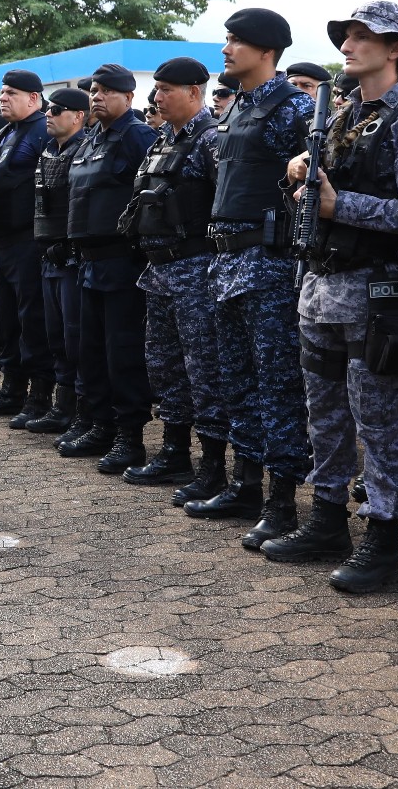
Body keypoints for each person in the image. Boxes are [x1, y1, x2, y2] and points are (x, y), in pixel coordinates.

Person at [262, 2, 398, 595]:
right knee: (326, 414)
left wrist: (342, 206)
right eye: (347, 35)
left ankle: (383, 539)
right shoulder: (341, 116)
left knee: (381, 419)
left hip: (374, 288)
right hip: (321, 283)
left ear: (396, 50)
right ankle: (328, 520)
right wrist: (301, 176)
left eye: (365, 37)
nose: (349, 45)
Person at [184, 8, 313, 549]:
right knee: (237, 381)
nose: (226, 50)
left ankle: (283, 503)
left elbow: (310, 179)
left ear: (266, 51)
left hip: (269, 263)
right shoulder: (242, 107)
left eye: (235, 41)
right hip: (228, 260)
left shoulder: (295, 108)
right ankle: (246, 485)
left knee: (276, 386)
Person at [119, 56, 229, 498]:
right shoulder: (163, 139)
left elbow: (227, 206)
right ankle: (175, 451)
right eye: (157, 88)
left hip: (196, 270)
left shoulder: (211, 139)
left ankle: (214, 465)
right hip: (160, 270)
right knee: (165, 369)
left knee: (203, 371)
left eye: (166, 89)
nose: (157, 97)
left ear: (195, 92)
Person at [59, 63, 157, 471]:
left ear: (129, 97)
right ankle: (100, 424)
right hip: (89, 263)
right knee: (91, 350)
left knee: (123, 354)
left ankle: (130, 437)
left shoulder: (138, 136)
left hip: (122, 262)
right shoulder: (90, 138)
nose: (96, 96)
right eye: (94, 90)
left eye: (106, 91)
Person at [0, 70, 54, 428]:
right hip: (0, 242)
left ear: (34, 98)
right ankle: (11, 389)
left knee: (30, 320)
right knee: (5, 318)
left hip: (28, 241)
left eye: (12, 93)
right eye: (2, 92)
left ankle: (39, 397)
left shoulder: (42, 131)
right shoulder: (6, 132)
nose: (3, 98)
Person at [28, 87, 88, 437]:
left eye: (58, 109)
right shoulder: (49, 149)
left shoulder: (85, 149)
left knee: (75, 336)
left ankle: (80, 411)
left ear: (78, 116)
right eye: (48, 108)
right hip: (48, 255)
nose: (48, 114)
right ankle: (61, 407)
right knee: (56, 337)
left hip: (72, 258)